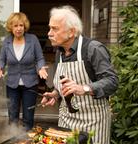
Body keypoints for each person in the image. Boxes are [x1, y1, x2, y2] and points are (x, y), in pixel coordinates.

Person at [40, 5, 118, 144]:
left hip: (93, 121)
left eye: (55, 29)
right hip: (66, 122)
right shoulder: (60, 51)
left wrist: (84, 88)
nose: (49, 33)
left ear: (71, 32)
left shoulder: (93, 49)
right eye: (50, 28)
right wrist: (56, 93)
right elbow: (64, 82)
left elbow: (112, 81)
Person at [0, 12, 48, 131]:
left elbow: (39, 58)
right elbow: (2, 59)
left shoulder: (32, 39)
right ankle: (13, 139)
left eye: (21, 25)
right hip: (12, 84)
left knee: (28, 117)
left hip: (30, 84)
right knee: (12, 116)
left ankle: (26, 140)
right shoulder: (7, 41)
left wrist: (41, 68)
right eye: (15, 26)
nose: (19, 28)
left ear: (25, 26)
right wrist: (0, 67)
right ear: (11, 27)